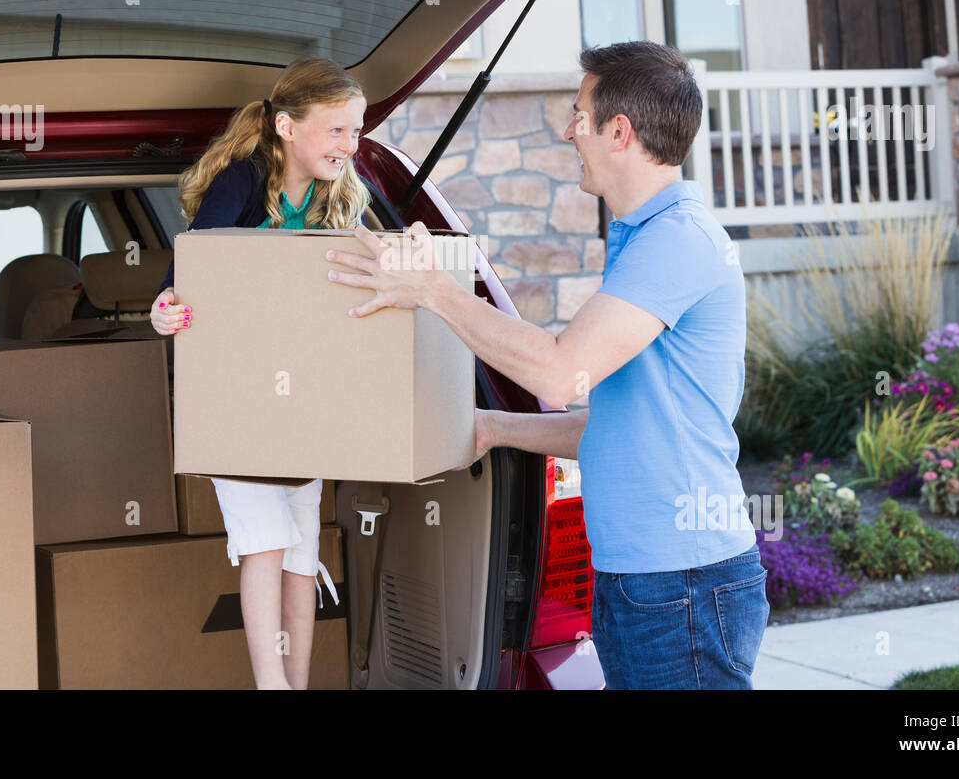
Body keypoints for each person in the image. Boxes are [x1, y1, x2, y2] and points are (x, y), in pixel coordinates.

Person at [324, 41, 769, 689]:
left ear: (619, 131)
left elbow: (562, 375)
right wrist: (493, 428)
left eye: (579, 113)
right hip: (644, 582)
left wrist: (435, 291)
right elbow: (621, 427)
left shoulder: (677, 242)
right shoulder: (645, 236)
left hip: (683, 586)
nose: (567, 129)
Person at [150, 56, 371, 689]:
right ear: (287, 127)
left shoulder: (340, 194)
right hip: (236, 396)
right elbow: (190, 275)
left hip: (302, 395)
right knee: (266, 543)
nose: (348, 145)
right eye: (336, 130)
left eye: (356, 132)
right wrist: (166, 309)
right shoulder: (242, 183)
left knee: (304, 551)